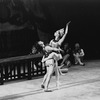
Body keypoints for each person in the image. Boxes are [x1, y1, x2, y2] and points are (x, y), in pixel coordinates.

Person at [41, 21, 71, 90]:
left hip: (55, 56)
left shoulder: (59, 41)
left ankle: (50, 84)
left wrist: (67, 26)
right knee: (52, 71)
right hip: (51, 57)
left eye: (56, 32)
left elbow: (66, 33)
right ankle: (44, 83)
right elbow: (49, 48)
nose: (55, 32)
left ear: (58, 34)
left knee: (54, 70)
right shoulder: (51, 41)